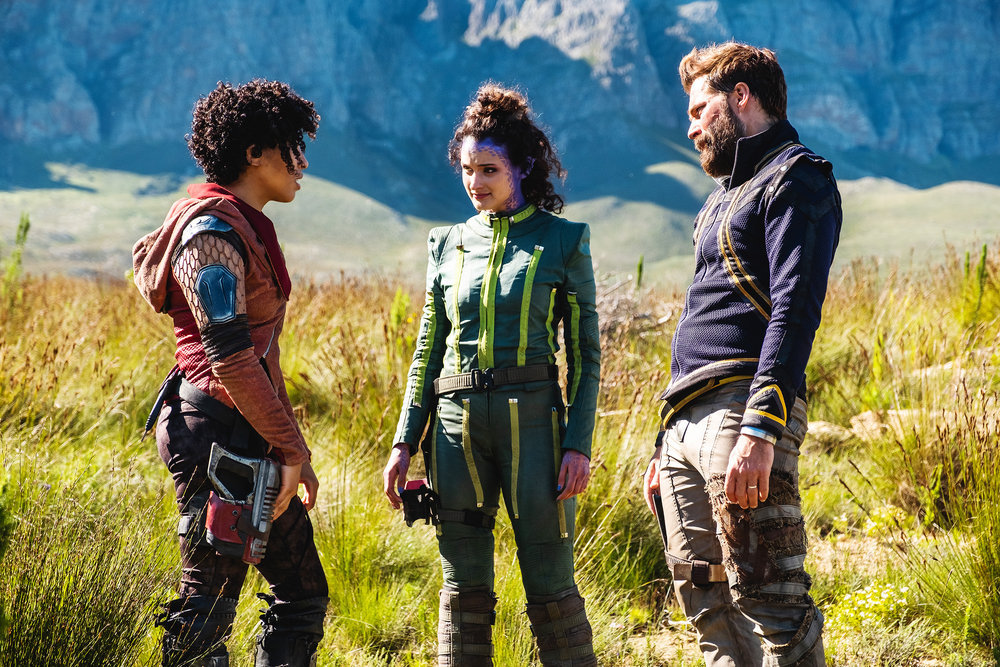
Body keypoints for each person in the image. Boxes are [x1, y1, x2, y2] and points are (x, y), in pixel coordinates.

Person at [382, 83, 601, 666]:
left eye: (489, 169)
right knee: (463, 589)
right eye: (467, 169)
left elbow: (585, 355)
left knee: (551, 585)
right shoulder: (446, 244)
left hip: (536, 430)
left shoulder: (563, 240)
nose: (475, 182)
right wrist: (405, 441)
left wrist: (578, 444)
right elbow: (428, 350)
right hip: (454, 432)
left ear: (522, 166)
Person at [642, 43, 841, 666]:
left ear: (742, 96)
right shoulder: (720, 197)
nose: (691, 127)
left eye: (699, 110)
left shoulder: (797, 177)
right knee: (706, 604)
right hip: (683, 425)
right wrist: (663, 443)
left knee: (771, 599)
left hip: (742, 411)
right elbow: (698, 319)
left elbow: (794, 309)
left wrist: (761, 428)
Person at [133, 79, 327, 667]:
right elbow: (231, 359)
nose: (303, 162)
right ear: (254, 153)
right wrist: (288, 448)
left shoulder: (242, 225)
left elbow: (264, 357)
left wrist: (295, 451)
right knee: (207, 612)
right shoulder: (210, 235)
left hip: (248, 432)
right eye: (293, 146)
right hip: (215, 434)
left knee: (302, 596)